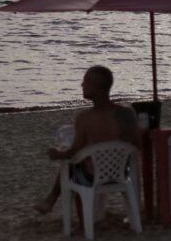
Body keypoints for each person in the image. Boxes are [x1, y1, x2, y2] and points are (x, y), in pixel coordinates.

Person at [34, 65, 140, 215]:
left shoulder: (85, 118)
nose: (82, 85)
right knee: (80, 160)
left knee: (71, 166)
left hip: (93, 177)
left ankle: (77, 219)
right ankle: (50, 199)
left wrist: (57, 154)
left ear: (97, 88)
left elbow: (73, 153)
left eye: (85, 82)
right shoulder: (127, 114)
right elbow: (136, 144)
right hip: (121, 174)